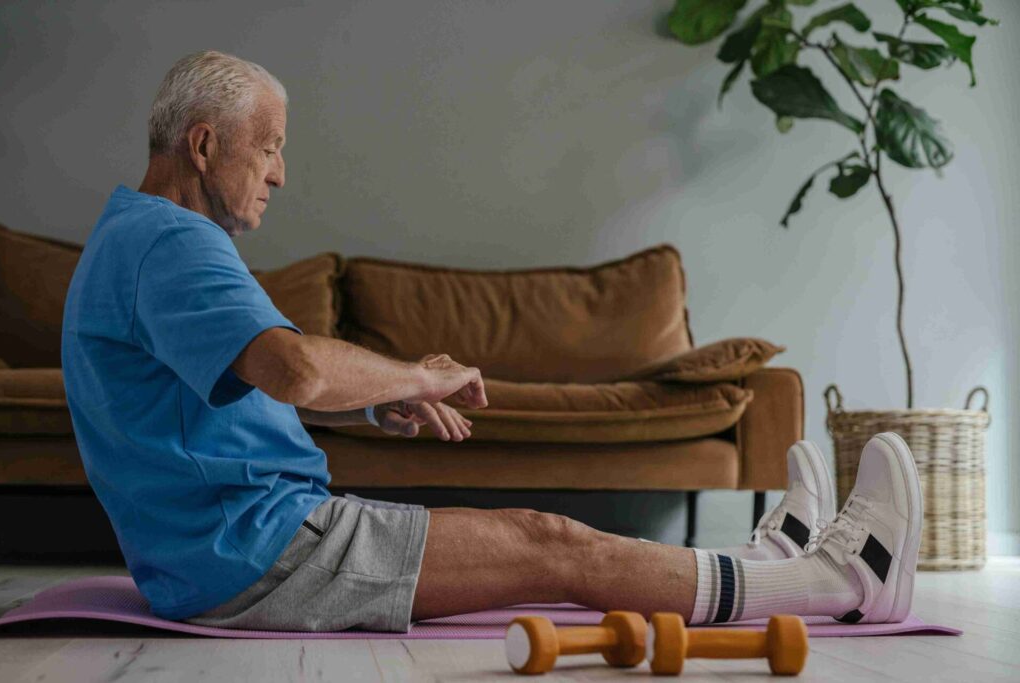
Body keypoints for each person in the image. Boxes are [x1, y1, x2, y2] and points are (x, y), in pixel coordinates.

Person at [62, 50, 922, 633]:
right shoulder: (171, 242)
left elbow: (222, 407)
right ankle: (840, 584)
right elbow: (293, 367)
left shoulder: (132, 237)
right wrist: (416, 376)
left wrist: (375, 404)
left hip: (230, 548)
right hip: (262, 553)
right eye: (270, 148)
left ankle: (759, 563)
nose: (281, 173)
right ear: (204, 145)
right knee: (553, 542)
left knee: (553, 540)